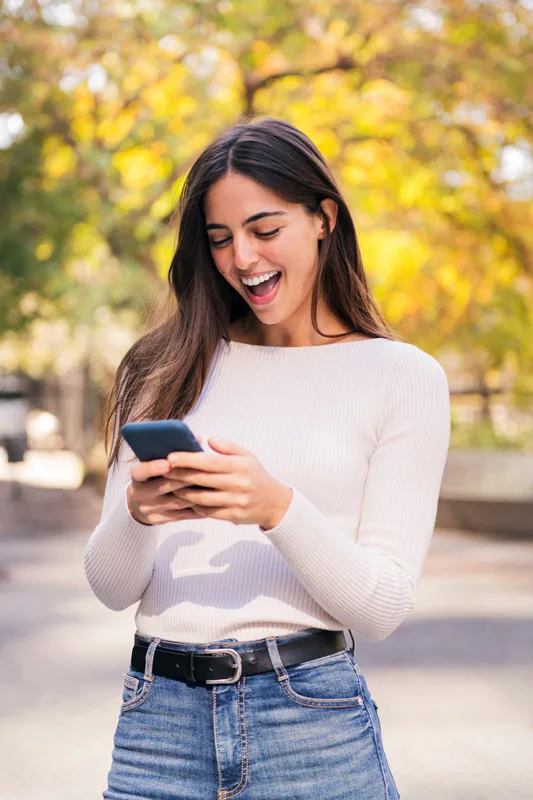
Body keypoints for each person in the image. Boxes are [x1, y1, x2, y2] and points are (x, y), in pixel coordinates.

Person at [84, 117, 450, 800]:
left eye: (264, 229)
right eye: (219, 239)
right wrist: (136, 514)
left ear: (323, 219)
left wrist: (275, 508)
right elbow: (110, 589)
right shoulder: (162, 366)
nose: (242, 259)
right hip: (156, 726)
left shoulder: (401, 376)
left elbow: (381, 607)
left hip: (310, 727)